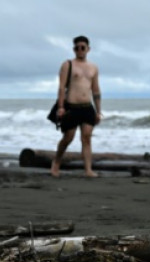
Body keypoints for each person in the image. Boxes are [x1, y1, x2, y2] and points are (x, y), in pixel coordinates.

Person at [50, 35, 102, 178]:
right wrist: (61, 107)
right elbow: (61, 88)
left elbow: (96, 90)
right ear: (74, 49)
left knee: (86, 138)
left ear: (88, 49)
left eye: (82, 47)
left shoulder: (93, 67)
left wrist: (99, 111)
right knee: (68, 138)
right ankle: (56, 163)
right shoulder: (68, 64)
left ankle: (88, 170)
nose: (80, 50)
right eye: (77, 48)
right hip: (71, 107)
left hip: (87, 107)